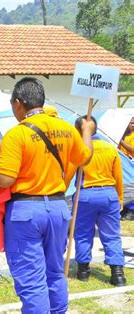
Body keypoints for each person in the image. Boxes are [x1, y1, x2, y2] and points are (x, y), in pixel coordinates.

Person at [0, 77, 95, 313]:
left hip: (26, 212)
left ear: (18, 103)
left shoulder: (17, 134)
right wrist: (87, 130)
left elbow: (5, 179)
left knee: (31, 279)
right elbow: (85, 157)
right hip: (57, 208)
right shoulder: (66, 128)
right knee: (54, 272)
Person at [66, 116, 126, 287]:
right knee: (112, 235)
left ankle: (83, 271)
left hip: (85, 195)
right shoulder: (110, 148)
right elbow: (118, 177)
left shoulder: (79, 150)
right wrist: (120, 198)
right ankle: (118, 274)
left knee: (83, 234)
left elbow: (69, 176)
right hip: (109, 194)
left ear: (79, 131)